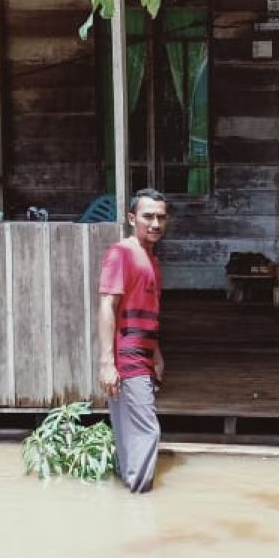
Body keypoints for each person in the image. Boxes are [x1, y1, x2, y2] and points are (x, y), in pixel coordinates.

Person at [98, 189, 168, 493]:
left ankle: (129, 499)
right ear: (131, 218)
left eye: (161, 217)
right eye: (148, 216)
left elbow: (146, 313)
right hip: (127, 358)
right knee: (147, 431)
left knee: (130, 433)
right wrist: (107, 363)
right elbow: (107, 307)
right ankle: (141, 505)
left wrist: (157, 354)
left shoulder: (152, 261)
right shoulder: (121, 253)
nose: (155, 223)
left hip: (143, 355)